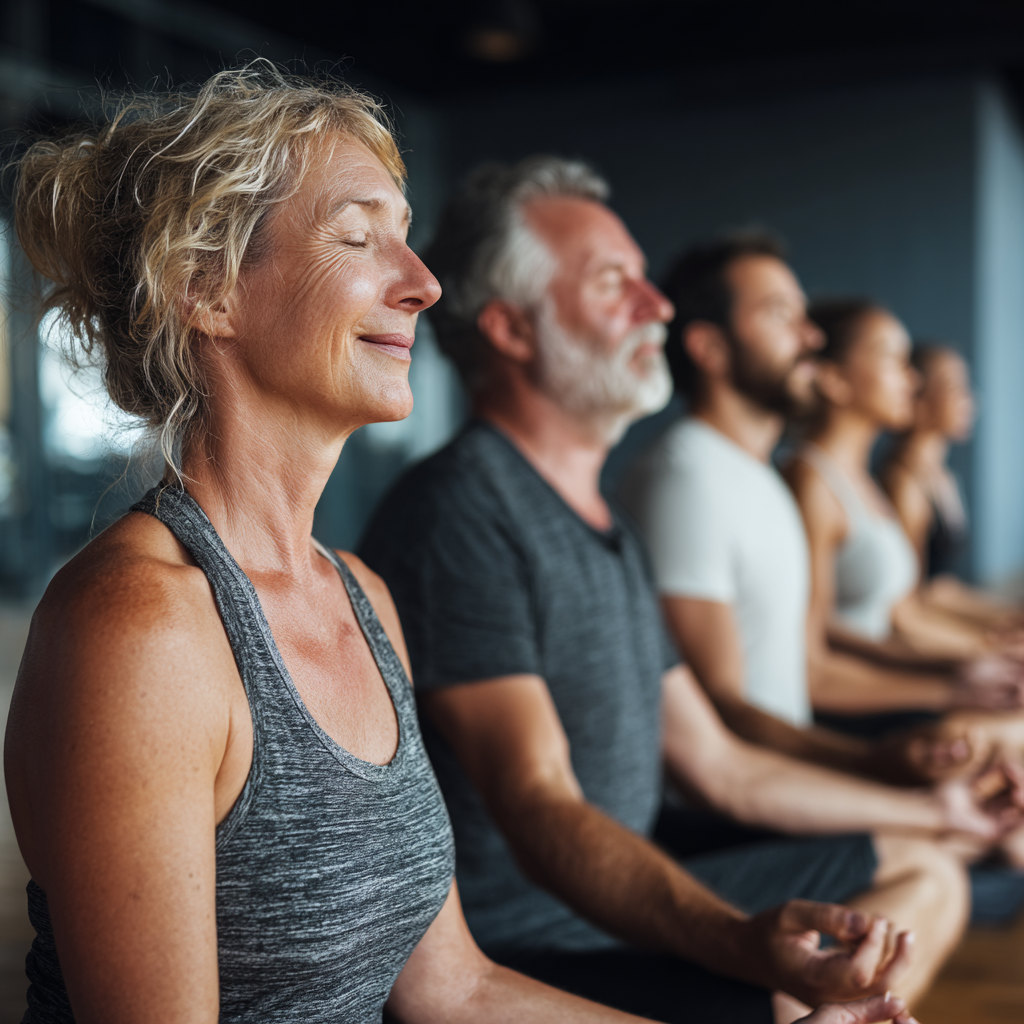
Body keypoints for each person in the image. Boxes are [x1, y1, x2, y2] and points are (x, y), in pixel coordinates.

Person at [0, 65, 881, 1024]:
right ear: (205, 288)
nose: (422, 285)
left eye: (408, 239)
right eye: (356, 238)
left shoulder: (364, 600)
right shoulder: (142, 627)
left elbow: (454, 988)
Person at [359, 157, 993, 1023]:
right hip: (538, 945)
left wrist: (932, 803)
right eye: (616, 283)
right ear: (511, 329)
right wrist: (738, 943)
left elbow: (719, 761)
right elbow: (540, 807)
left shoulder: (603, 518)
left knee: (927, 862)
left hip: (632, 888)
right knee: (843, 958)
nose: (656, 306)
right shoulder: (459, 513)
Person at [787, 300, 1024, 672]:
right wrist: (967, 662)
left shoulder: (862, 480)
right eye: (892, 359)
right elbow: (816, 640)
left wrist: (986, 649)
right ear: (833, 379)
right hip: (864, 692)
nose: (911, 381)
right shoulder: (811, 480)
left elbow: (903, 612)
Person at [882, 344, 1024, 633]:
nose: (970, 399)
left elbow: (944, 588)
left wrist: (1007, 616)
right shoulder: (904, 485)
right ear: (916, 400)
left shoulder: (944, 477)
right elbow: (912, 602)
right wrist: (989, 634)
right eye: (953, 387)